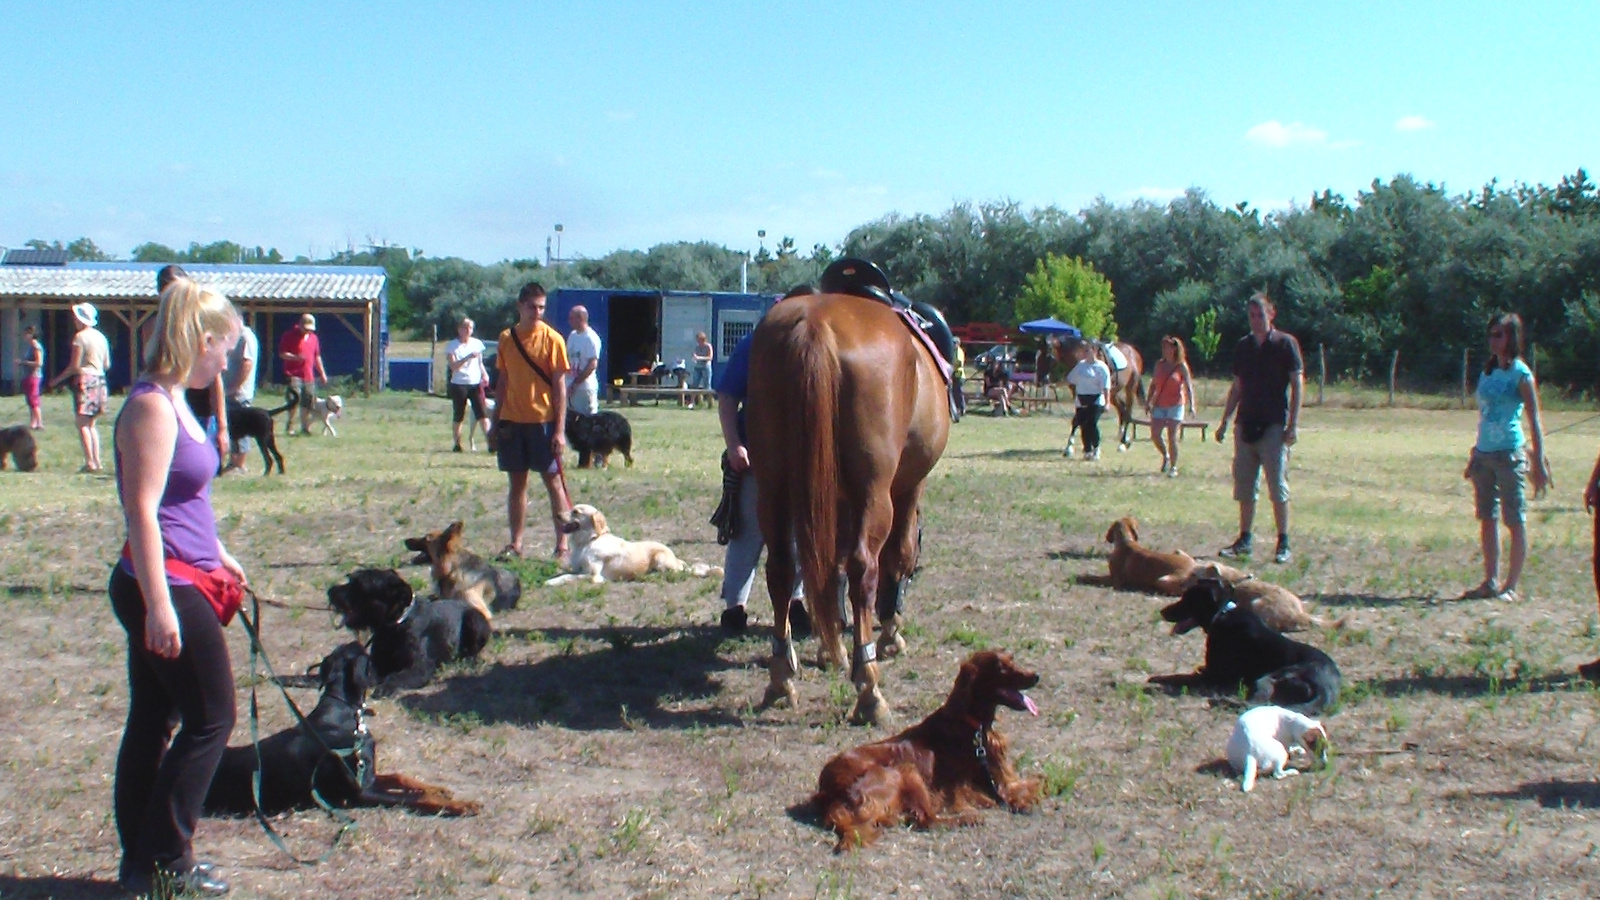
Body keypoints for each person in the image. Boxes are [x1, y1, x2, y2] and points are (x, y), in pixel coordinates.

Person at [110, 278, 245, 897]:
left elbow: (182, 497)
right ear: (204, 339)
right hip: (160, 583)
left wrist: (219, 552)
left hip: (183, 572)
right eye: (228, 350)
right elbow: (141, 510)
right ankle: (164, 859)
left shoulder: (176, 398)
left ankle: (143, 861)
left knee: (155, 718)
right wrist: (160, 607)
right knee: (212, 717)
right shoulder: (150, 407)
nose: (230, 362)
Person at [713, 286, 809, 633]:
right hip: (757, 457)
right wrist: (735, 444)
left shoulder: (820, 348)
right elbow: (727, 396)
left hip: (801, 462)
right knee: (747, 533)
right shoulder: (754, 344)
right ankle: (734, 608)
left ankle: (795, 602)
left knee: (798, 535)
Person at [1459, 313, 1550, 603]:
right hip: (1485, 454)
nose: (1492, 340)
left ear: (1511, 337)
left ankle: (1510, 586)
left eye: (1498, 334)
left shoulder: (1521, 374)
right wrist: (1475, 451)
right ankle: (1490, 580)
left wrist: (1539, 460)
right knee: (1487, 517)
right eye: (1491, 334)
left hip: (1510, 453)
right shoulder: (1487, 372)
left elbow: (1534, 418)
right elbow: (1483, 416)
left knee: (1514, 518)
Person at [1215, 292, 1303, 564]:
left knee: (1277, 486)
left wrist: (1293, 425)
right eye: (1251, 315)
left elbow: (1298, 383)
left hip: (1274, 425)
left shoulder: (1285, 344)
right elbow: (1238, 386)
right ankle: (1245, 539)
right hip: (1245, 424)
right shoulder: (1243, 346)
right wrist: (1225, 420)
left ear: (1271, 314)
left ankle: (1283, 542)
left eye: (1260, 315)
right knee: (1244, 486)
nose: (1255, 320)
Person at [493, 282, 572, 560]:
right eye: (532, 307)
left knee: (553, 482)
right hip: (512, 421)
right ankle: (516, 543)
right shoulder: (506, 339)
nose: (537, 312)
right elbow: (502, 382)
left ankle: (562, 544)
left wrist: (559, 431)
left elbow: (560, 387)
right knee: (517, 484)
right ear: (519, 306)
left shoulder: (553, 339)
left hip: (543, 421)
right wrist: (494, 420)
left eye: (541, 308)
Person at [160, 266, 231, 461]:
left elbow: (216, 379)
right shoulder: (153, 329)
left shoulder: (201, 326)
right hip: (169, 405)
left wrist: (223, 427)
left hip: (201, 407)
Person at [48, 301, 112, 473]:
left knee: (82, 423)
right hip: (100, 380)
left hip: (85, 380)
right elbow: (106, 364)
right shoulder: (101, 337)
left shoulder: (80, 338)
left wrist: (56, 381)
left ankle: (90, 462)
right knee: (92, 424)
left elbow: (74, 366)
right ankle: (97, 461)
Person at [1146, 335, 1198, 477]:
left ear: (1174, 349)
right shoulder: (1159, 364)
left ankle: (1173, 467)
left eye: (1167, 347)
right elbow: (1153, 384)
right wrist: (1148, 402)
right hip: (1159, 404)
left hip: (1176, 405)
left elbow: (1188, 386)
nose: (1164, 350)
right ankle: (1166, 455)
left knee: (1172, 436)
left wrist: (1192, 405)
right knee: (1155, 434)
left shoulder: (1181, 366)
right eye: (1163, 347)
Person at [445, 317, 490, 452]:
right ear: (459, 329)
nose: (467, 331)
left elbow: (480, 363)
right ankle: (457, 443)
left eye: (470, 328)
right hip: (459, 383)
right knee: (459, 414)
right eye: (465, 328)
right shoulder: (452, 346)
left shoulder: (477, 344)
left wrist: (484, 374)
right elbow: (453, 366)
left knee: (482, 413)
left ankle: (491, 442)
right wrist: (467, 357)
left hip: (475, 383)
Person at [221, 319, 260, 474]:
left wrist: (234, 387)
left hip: (239, 393)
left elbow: (247, 364)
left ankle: (239, 464)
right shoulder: (234, 337)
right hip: (229, 392)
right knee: (232, 428)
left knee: (241, 428)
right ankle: (233, 461)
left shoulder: (245, 337)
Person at [278, 312, 326, 435]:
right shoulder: (289, 336)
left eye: (310, 329)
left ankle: (305, 427)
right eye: (306, 328)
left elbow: (317, 356)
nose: (308, 331)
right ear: (300, 325)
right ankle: (290, 426)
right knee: (295, 398)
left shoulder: (314, 338)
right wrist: (295, 358)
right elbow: (282, 353)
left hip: (308, 374)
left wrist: (322, 373)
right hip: (293, 373)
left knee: (309, 399)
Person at [1066, 342, 1112, 460]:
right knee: (1083, 424)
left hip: (1096, 398)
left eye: (1088, 350)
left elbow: (1106, 386)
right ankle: (1087, 449)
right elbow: (1071, 379)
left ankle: (1096, 448)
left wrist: (1107, 402)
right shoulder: (1081, 366)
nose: (1085, 353)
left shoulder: (1101, 367)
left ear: (1094, 351)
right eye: (1084, 351)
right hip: (1081, 399)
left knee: (1092, 423)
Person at [565, 305, 602, 417]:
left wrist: (576, 383)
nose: (569, 321)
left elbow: (592, 364)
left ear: (580, 318)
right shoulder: (573, 336)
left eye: (572, 318)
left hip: (584, 387)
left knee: (587, 419)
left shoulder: (590, 338)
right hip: (570, 384)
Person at [18, 324, 44, 430]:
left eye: (26, 333)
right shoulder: (30, 347)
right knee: (30, 401)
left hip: (34, 376)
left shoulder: (35, 346)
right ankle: (33, 422)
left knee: (34, 400)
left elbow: (39, 362)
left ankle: (40, 423)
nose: (24, 336)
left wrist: (23, 362)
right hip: (28, 376)